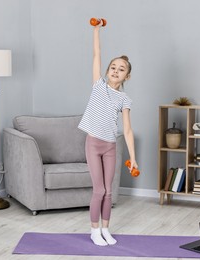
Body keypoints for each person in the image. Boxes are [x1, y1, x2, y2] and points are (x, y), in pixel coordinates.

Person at [78, 21, 138, 246]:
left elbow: (128, 130)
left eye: (121, 69)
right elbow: (96, 54)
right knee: (99, 189)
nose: (116, 70)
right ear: (107, 70)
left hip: (111, 146)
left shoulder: (124, 99)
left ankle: (106, 229)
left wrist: (133, 158)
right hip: (93, 143)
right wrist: (96, 31)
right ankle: (94, 230)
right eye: (113, 67)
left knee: (109, 192)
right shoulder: (98, 85)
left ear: (127, 77)